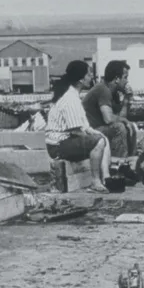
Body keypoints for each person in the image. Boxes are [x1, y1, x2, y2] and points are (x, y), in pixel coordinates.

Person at [45, 60, 111, 193]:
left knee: (102, 138)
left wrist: (97, 134)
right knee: (98, 141)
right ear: (81, 79)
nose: (91, 77)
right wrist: (95, 138)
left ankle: (106, 178)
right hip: (57, 146)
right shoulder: (69, 98)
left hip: (64, 141)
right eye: (88, 74)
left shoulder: (73, 95)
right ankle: (95, 182)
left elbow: (84, 127)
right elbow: (76, 131)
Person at [82, 60, 138, 159]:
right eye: (125, 77)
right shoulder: (103, 89)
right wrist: (125, 121)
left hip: (99, 129)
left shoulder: (114, 92)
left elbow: (120, 117)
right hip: (88, 131)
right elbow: (108, 119)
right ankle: (119, 163)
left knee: (130, 126)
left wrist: (126, 100)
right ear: (117, 78)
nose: (127, 81)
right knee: (119, 128)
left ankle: (130, 160)